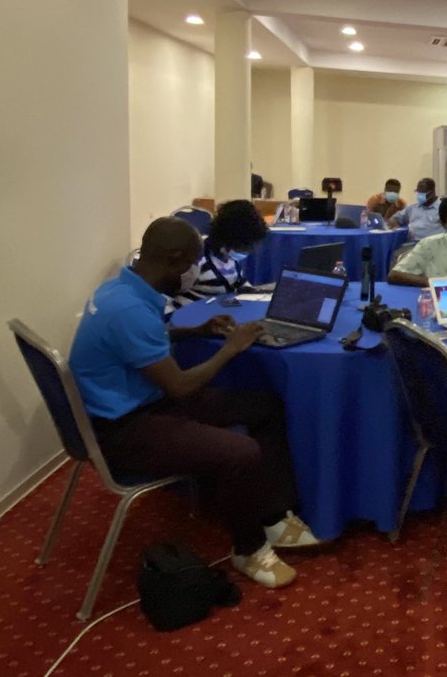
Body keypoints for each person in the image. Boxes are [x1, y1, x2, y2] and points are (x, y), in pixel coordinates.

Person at [68, 218, 320, 588]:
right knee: (241, 452)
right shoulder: (128, 311)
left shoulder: (121, 289)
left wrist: (195, 331)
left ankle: (273, 515)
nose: (193, 272)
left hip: (141, 401)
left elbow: (146, 340)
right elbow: (181, 387)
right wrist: (230, 349)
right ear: (173, 260)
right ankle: (249, 550)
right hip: (123, 429)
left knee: (264, 406)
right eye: (191, 264)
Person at [169, 199, 268, 312]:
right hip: (193, 313)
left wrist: (251, 291)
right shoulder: (196, 261)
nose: (249, 251)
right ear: (228, 240)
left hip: (221, 311)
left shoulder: (231, 259)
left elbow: (237, 282)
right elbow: (171, 296)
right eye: (245, 247)